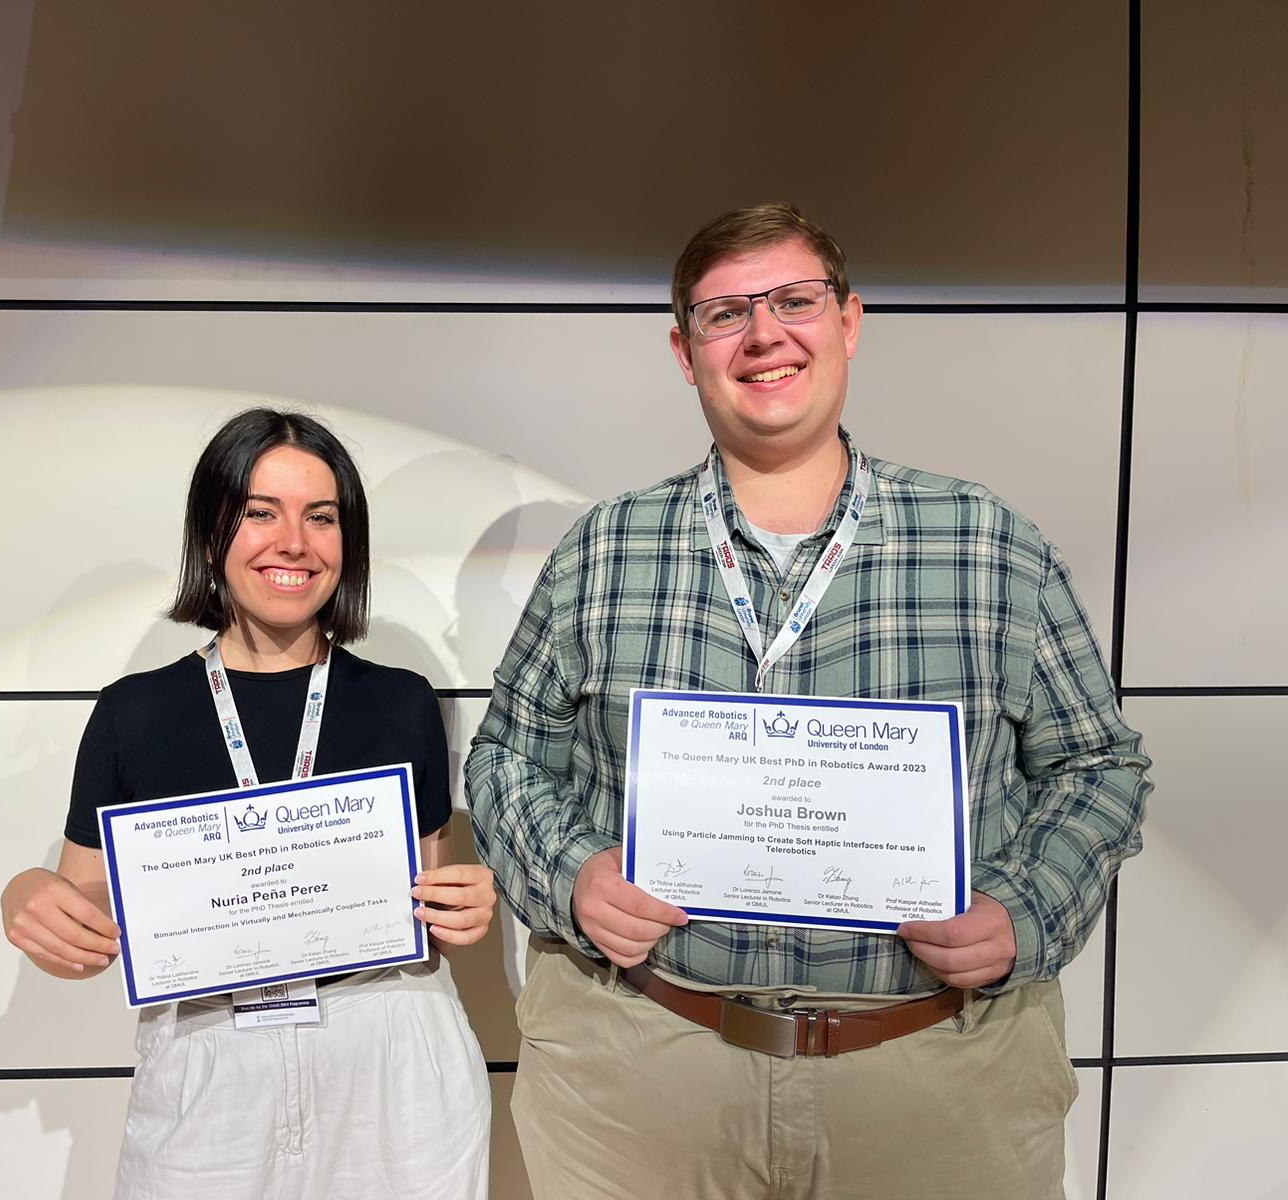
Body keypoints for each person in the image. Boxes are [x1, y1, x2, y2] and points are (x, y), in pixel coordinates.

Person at [466, 204, 1151, 1200]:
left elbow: (1099, 766)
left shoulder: (987, 544)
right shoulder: (603, 548)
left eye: (795, 301)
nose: (764, 335)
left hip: (931, 1078)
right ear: (683, 348)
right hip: (644, 1066)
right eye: (725, 313)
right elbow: (505, 758)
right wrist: (571, 877)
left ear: (850, 321)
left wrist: (1026, 911)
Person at [2, 408, 494, 1200]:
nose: (293, 541)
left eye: (321, 517)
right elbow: (83, 914)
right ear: (211, 534)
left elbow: (430, 912)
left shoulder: (402, 703)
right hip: (212, 1055)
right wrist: (29, 898)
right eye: (260, 512)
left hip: (390, 1060)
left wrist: (464, 904)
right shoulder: (134, 712)